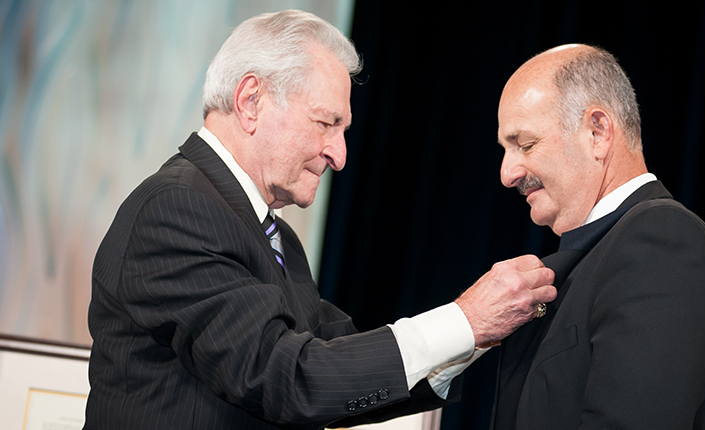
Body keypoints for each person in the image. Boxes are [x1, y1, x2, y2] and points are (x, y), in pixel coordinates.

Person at [84, 10, 556, 430]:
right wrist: (466, 319)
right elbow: (289, 379)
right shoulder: (176, 209)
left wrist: (477, 332)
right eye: (326, 123)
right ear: (250, 101)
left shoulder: (276, 236)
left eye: (343, 130)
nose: (339, 155)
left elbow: (337, 371)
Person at [491, 44, 705, 429]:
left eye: (525, 144)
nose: (507, 173)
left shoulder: (662, 243)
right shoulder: (609, 253)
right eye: (505, 150)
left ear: (598, 132)